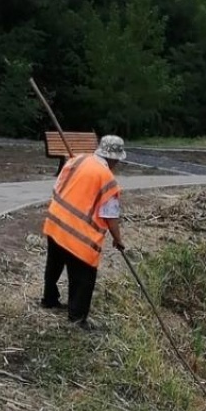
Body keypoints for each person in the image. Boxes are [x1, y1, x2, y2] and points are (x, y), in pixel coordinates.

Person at [41, 135, 126, 330]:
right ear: (114, 159)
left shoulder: (77, 160)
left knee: (54, 265)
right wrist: (118, 240)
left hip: (55, 223)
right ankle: (77, 317)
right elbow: (110, 216)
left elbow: (57, 187)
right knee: (83, 278)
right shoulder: (108, 180)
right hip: (79, 237)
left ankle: (49, 299)